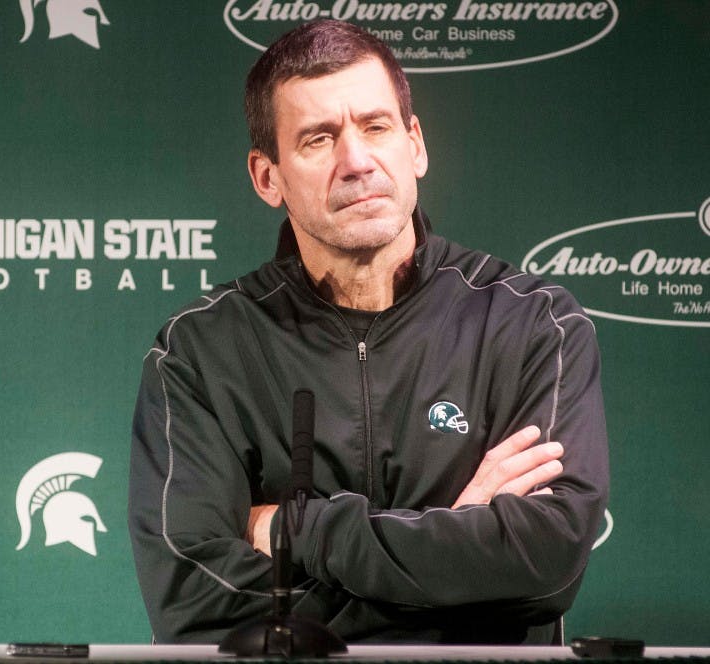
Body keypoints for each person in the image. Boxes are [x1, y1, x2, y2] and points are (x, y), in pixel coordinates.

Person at [128, 19, 608, 645]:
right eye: (318, 139)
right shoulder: (200, 350)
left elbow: (543, 570)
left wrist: (296, 531)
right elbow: (196, 605)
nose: (356, 162)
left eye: (376, 127)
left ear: (416, 145)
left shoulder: (530, 322)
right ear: (268, 176)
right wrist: (458, 559)